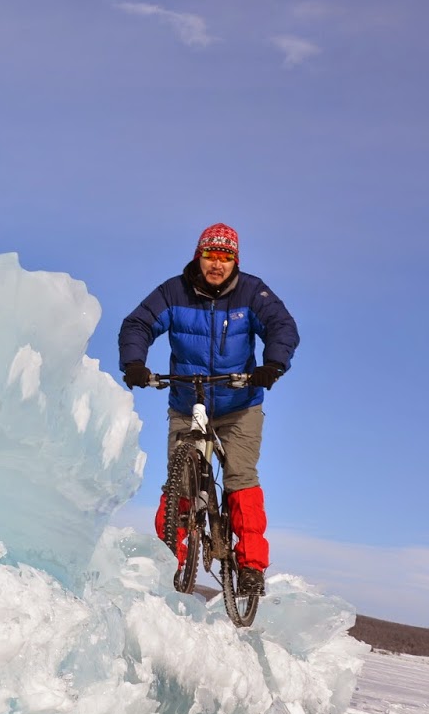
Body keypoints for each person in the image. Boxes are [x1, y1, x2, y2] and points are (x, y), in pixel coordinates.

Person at [117, 223, 299, 595]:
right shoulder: (174, 291)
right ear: (198, 256)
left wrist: (272, 365)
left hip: (239, 403)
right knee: (177, 483)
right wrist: (134, 363)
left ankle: (250, 566)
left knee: (239, 476)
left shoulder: (252, 292)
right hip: (187, 399)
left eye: (225, 257)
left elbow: (283, 326)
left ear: (235, 261)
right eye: (210, 255)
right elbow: (137, 323)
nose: (217, 264)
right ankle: (170, 561)